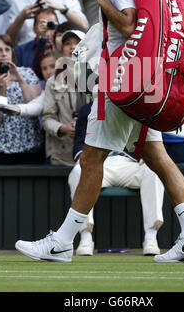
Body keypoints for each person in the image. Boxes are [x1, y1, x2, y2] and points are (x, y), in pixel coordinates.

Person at [15, 0, 184, 264]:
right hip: (142, 80)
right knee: (158, 157)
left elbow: (128, 24)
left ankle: (61, 242)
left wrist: (102, 2)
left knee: (91, 160)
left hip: (121, 81)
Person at [69, 101, 165, 256]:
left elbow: (144, 139)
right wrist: (85, 159)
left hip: (129, 162)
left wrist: (146, 155)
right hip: (99, 164)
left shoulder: (134, 105)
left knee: (153, 171)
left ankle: (151, 236)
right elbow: (79, 144)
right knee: (77, 172)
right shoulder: (87, 109)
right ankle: (85, 237)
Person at [0, 33, 44, 164]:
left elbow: (35, 106)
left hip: (31, 149)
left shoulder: (27, 73)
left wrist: (20, 79)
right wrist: (1, 90)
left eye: (7, 49)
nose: (4, 54)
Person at [41, 29, 88, 166]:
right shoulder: (52, 82)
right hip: (63, 155)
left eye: (78, 43)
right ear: (61, 50)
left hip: (94, 153)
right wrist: (63, 128)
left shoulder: (99, 78)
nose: (73, 47)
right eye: (67, 43)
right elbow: (47, 118)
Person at [15, 7, 58, 77]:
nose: (46, 30)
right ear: (34, 28)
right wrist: (43, 39)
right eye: (42, 25)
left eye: (51, 26)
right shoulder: (20, 51)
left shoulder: (63, 48)